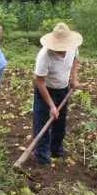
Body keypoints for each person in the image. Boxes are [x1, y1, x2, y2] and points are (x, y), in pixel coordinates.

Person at [32, 23, 82, 165]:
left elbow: (75, 60)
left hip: (63, 88)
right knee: (42, 123)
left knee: (60, 122)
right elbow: (39, 81)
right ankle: (42, 157)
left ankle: (56, 150)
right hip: (46, 89)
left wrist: (74, 78)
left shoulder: (72, 47)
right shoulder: (44, 55)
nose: (63, 51)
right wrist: (52, 105)